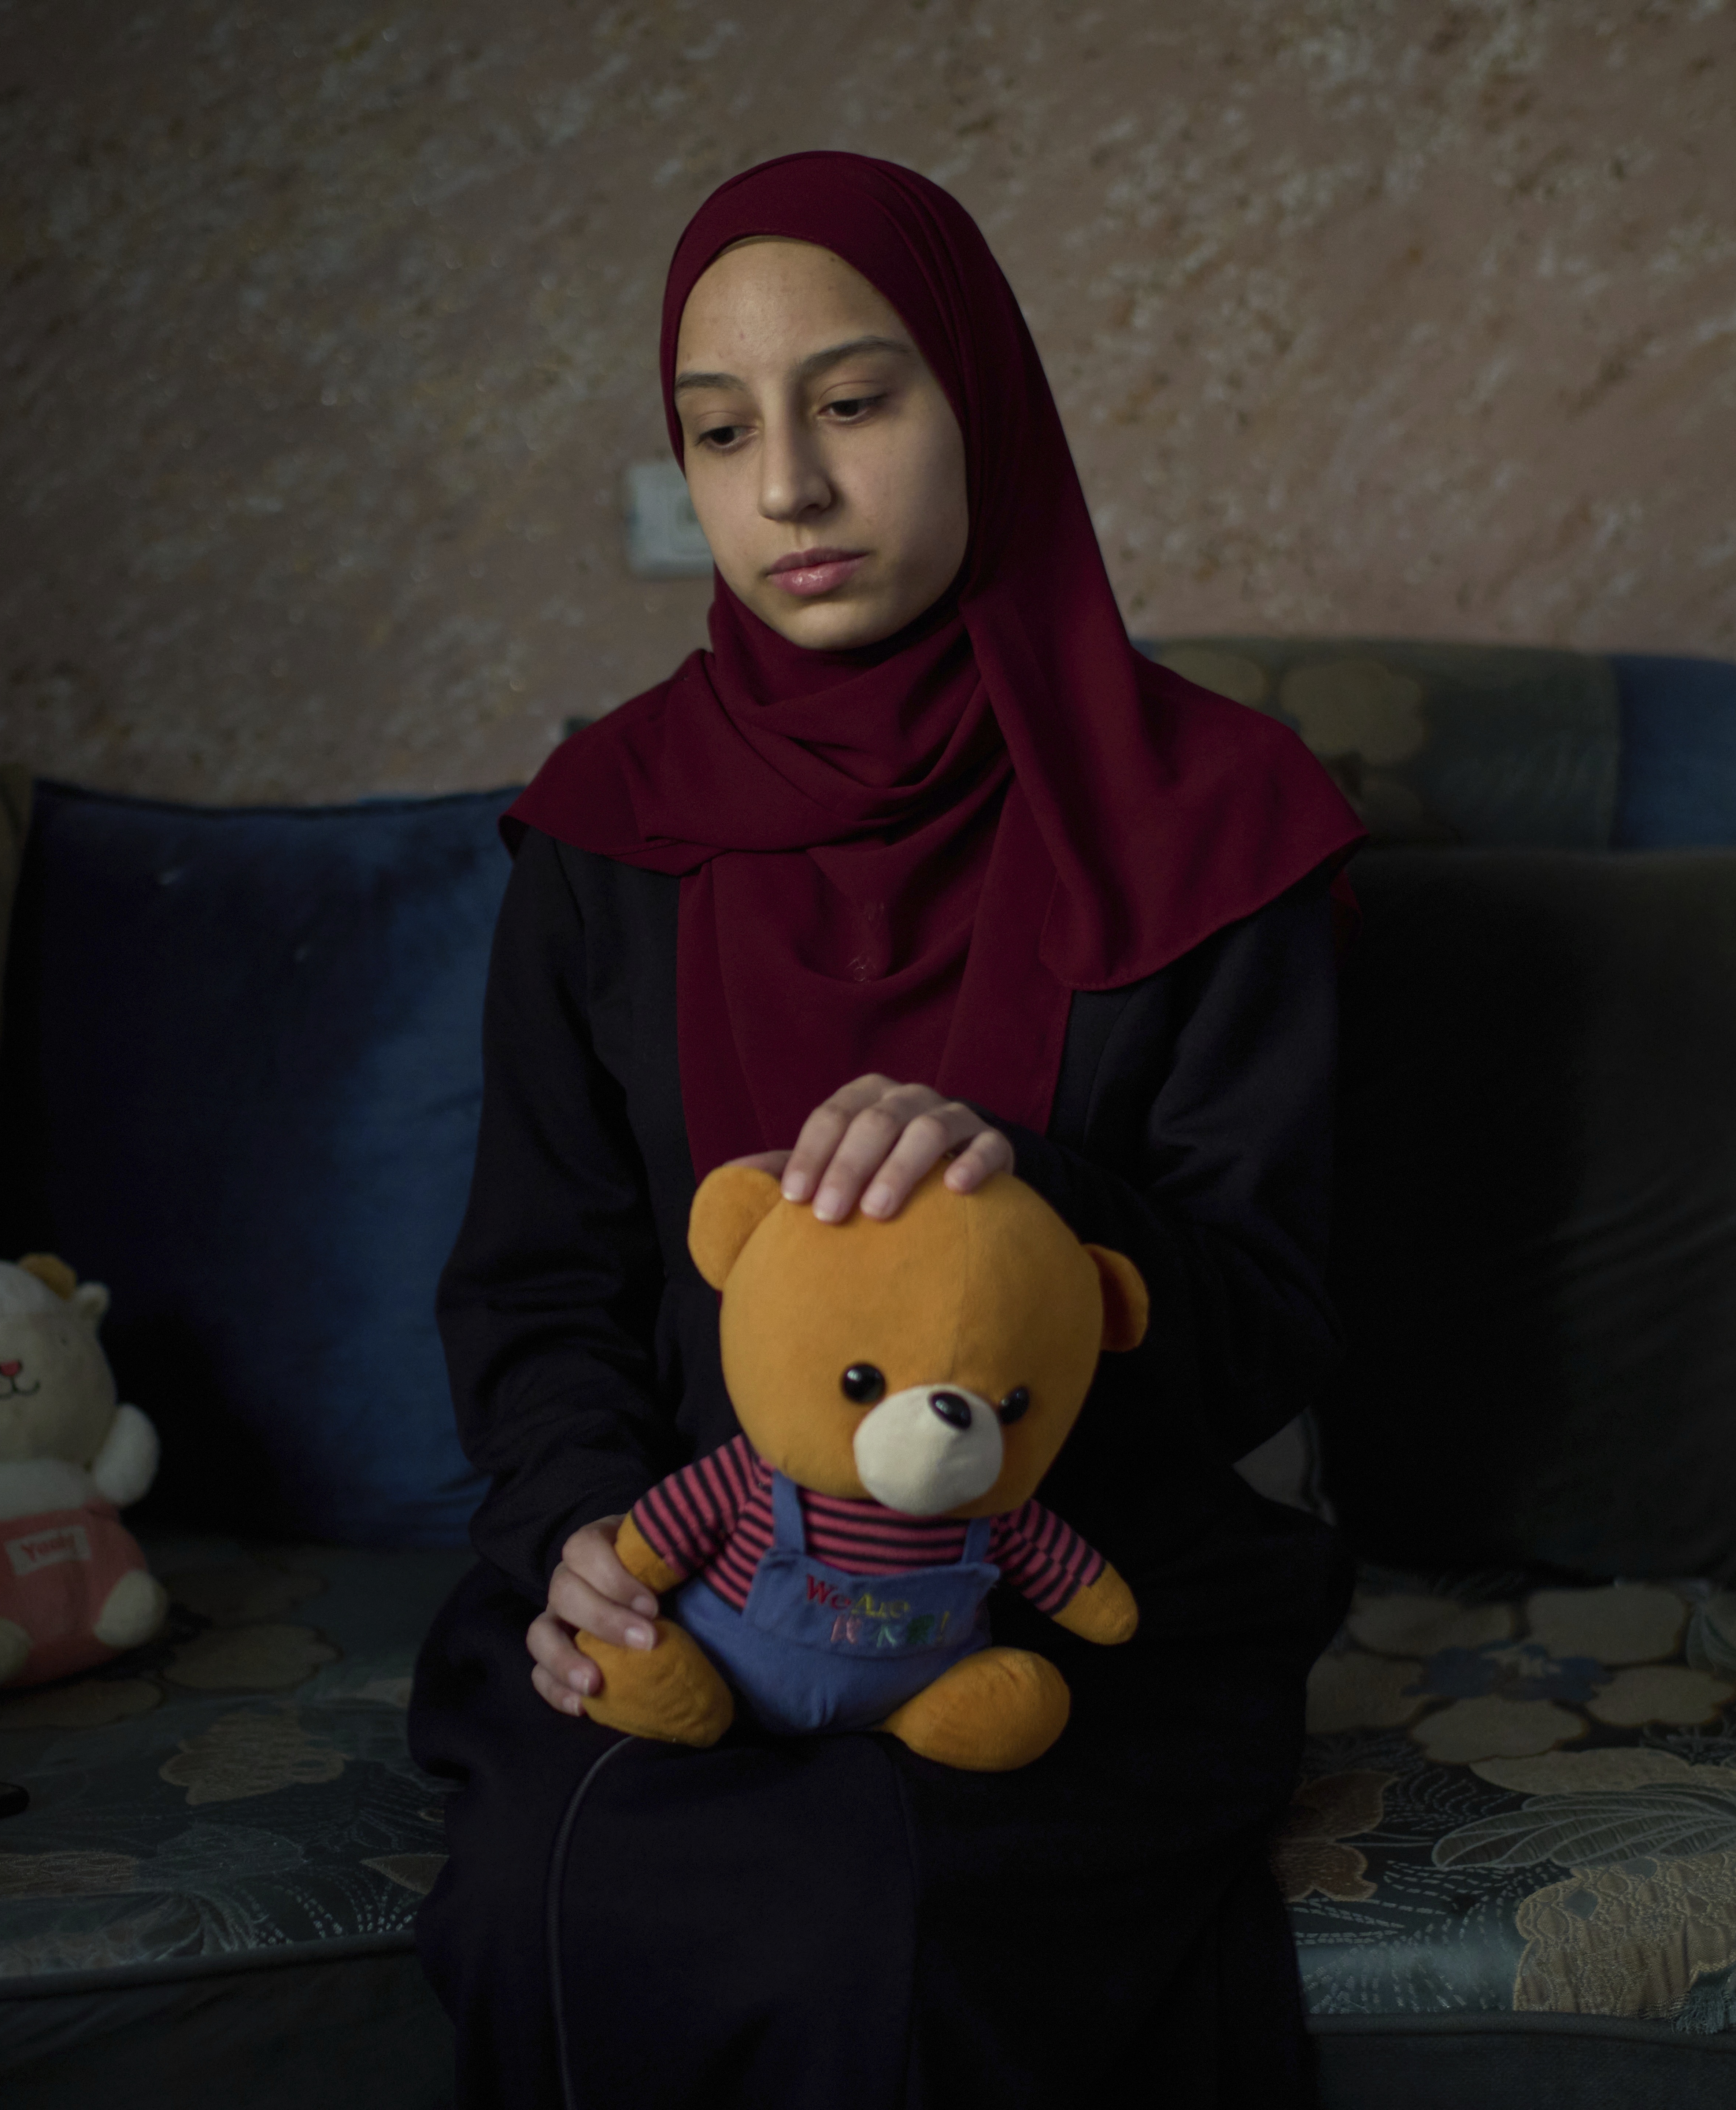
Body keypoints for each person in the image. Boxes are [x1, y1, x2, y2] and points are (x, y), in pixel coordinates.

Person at [412, 151, 1366, 2110]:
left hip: (1080, 1620)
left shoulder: (1223, 815)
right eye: (719, 431)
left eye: (854, 402)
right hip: (696, 1589)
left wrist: (1027, 1183)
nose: (788, 491)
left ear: (984, 407)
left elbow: (1272, 1309)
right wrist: (579, 1538)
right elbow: (539, 1284)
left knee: (893, 1906)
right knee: (553, 1889)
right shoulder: (608, 823)